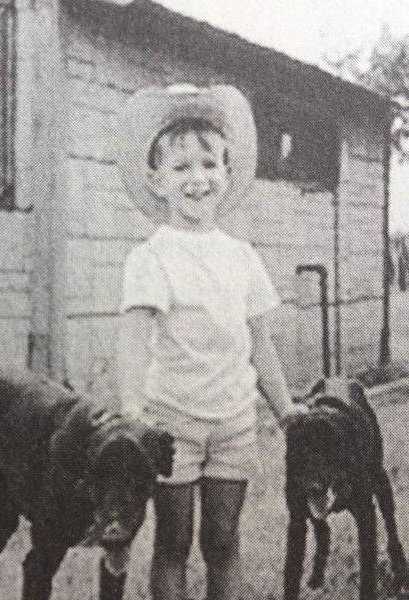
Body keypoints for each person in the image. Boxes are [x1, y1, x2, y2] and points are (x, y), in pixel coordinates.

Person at [115, 84, 308, 600]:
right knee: (173, 543)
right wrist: (132, 407)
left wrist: (285, 408)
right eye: (181, 169)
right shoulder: (151, 257)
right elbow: (134, 341)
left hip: (233, 424)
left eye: (208, 164)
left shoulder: (242, 256)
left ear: (227, 172)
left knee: (223, 541)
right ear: (157, 181)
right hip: (171, 423)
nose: (197, 179)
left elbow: (260, 344)